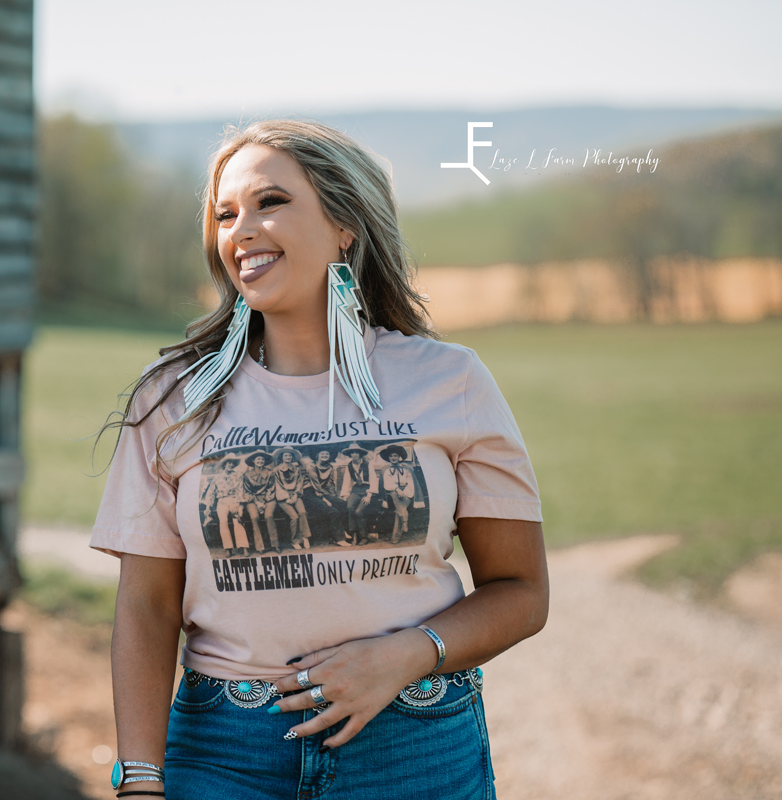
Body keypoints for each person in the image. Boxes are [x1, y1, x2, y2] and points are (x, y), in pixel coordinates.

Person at [91, 120, 548, 800]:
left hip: (413, 750)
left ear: (345, 225)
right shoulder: (175, 399)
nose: (241, 230)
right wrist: (140, 780)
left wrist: (404, 655)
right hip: (224, 756)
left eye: (270, 202)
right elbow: (147, 608)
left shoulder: (449, 381)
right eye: (225, 214)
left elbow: (521, 592)